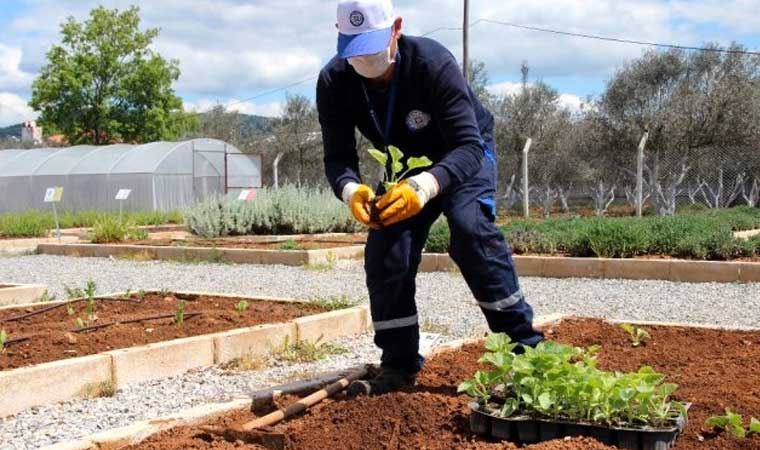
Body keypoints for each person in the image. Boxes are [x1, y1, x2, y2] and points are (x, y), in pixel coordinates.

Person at [317, 0, 543, 396]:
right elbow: (338, 158)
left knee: (471, 231)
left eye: (371, 49)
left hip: (464, 154)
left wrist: (424, 187)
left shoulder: (431, 63)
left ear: (396, 29)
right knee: (385, 251)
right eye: (354, 52)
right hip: (406, 166)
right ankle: (398, 364)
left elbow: (468, 146)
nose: (364, 62)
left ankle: (527, 353)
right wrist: (352, 190)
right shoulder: (335, 81)